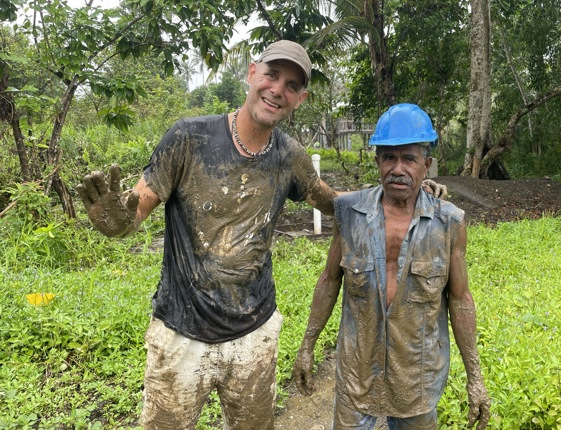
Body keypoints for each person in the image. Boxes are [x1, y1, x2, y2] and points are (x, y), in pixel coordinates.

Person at [76, 40, 449, 429]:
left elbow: (332, 202)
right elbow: (137, 207)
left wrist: (408, 193)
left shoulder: (289, 156)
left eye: (291, 85)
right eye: (272, 75)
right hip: (181, 334)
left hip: (254, 334)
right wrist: (118, 221)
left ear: (299, 99)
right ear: (252, 73)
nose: (277, 90)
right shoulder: (188, 138)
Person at [293, 103, 491, 430]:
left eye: (409, 159)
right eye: (389, 158)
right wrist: (306, 346)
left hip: (417, 376)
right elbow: (329, 280)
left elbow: (460, 299)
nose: (398, 169)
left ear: (426, 165)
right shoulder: (348, 213)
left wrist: (476, 379)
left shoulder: (449, 223)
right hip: (357, 372)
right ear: (377, 162)